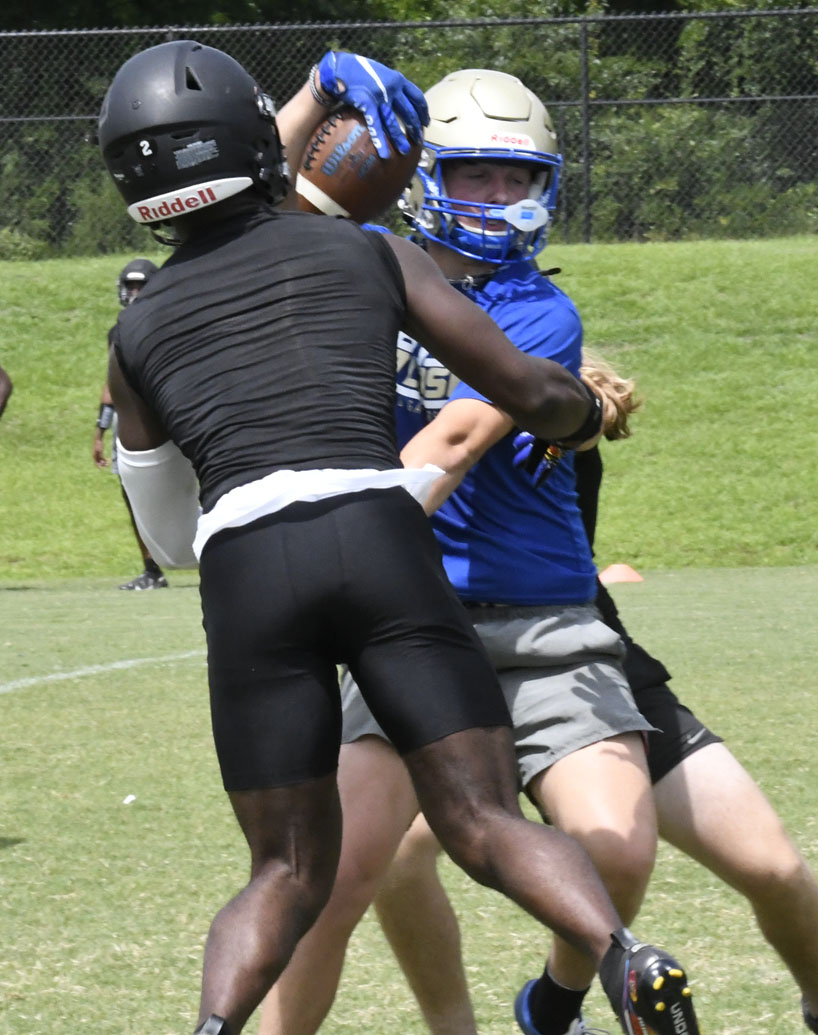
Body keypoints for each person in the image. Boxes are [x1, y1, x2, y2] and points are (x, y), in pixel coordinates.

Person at [97, 42, 699, 1035]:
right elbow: (526, 390)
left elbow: (168, 537)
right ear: (260, 140)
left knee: (285, 870)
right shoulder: (367, 250)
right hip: (381, 537)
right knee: (482, 819)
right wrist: (577, 420)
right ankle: (625, 955)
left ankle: (211, 1031)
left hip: (248, 568)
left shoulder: (136, 332)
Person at [262, 68, 818, 1035]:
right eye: (475, 176)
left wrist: (318, 554)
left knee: (663, 855)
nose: (500, 199)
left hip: (552, 624)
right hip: (415, 619)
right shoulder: (364, 266)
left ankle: (564, 1009)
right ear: (425, 173)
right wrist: (310, 94)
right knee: (341, 877)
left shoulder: (538, 309)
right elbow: (255, 209)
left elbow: (452, 446)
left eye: (519, 179)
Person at [93, 258, 168, 590]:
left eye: (141, 286)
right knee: (132, 493)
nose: (134, 292)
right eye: (130, 286)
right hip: (131, 423)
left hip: (172, 419)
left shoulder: (170, 324)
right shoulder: (118, 331)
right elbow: (112, 384)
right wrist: (100, 429)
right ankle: (152, 569)